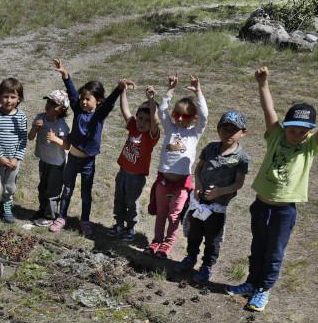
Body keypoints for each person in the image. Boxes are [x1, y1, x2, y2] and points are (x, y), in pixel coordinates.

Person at [227, 67, 318, 312]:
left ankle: (263, 290)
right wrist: (263, 84)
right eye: (292, 129)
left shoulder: (311, 146)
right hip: (260, 205)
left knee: (274, 252)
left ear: (310, 131)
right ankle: (251, 282)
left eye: (302, 131)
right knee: (257, 247)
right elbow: (268, 110)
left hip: (284, 212)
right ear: (285, 126)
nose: (296, 134)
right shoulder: (275, 136)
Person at [51, 59, 126, 235]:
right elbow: (72, 93)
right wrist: (65, 75)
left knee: (86, 193)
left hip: (88, 163)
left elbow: (108, 105)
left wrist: (119, 88)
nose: (84, 102)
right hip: (73, 159)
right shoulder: (78, 109)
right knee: (67, 189)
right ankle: (61, 217)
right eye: (83, 98)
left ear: (98, 101)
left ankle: (85, 221)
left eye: (88, 99)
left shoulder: (99, 116)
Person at [177, 111, 250, 283]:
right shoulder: (210, 148)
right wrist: (198, 186)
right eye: (224, 129)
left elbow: (238, 183)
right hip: (200, 203)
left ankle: (207, 266)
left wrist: (220, 191)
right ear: (218, 130)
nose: (228, 134)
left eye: (234, 130)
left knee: (212, 238)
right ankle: (190, 257)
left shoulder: (241, 157)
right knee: (194, 233)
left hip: (217, 207)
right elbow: (198, 169)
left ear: (243, 133)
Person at [148, 72, 207, 257]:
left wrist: (198, 92)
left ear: (193, 118)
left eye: (186, 116)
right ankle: (156, 241)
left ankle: (168, 243)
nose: (180, 119)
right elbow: (162, 110)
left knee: (174, 215)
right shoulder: (170, 128)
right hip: (164, 181)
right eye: (177, 114)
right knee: (161, 213)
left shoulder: (194, 133)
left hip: (182, 184)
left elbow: (205, 115)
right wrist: (170, 90)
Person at [109, 83, 160, 241]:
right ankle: (118, 224)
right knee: (119, 200)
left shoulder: (151, 136)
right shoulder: (133, 127)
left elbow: (156, 121)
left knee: (132, 203)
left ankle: (130, 228)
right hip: (123, 172)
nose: (142, 122)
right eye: (140, 118)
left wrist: (151, 99)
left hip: (137, 177)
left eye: (147, 120)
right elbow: (125, 110)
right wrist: (122, 90)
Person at [0, 77, 29, 225]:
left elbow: (23, 138)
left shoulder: (21, 116)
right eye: (5, 96)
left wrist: (16, 158)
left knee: (10, 185)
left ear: (19, 99)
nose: (8, 100)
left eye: (13, 97)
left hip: (14, 159)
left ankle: (7, 205)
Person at [27, 90, 69, 227]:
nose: (48, 105)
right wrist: (34, 128)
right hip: (44, 160)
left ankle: (50, 216)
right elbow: (30, 137)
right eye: (48, 101)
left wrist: (55, 138)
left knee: (53, 190)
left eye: (53, 103)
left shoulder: (61, 124)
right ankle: (42, 210)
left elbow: (66, 146)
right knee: (42, 187)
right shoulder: (40, 117)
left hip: (56, 163)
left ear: (61, 109)